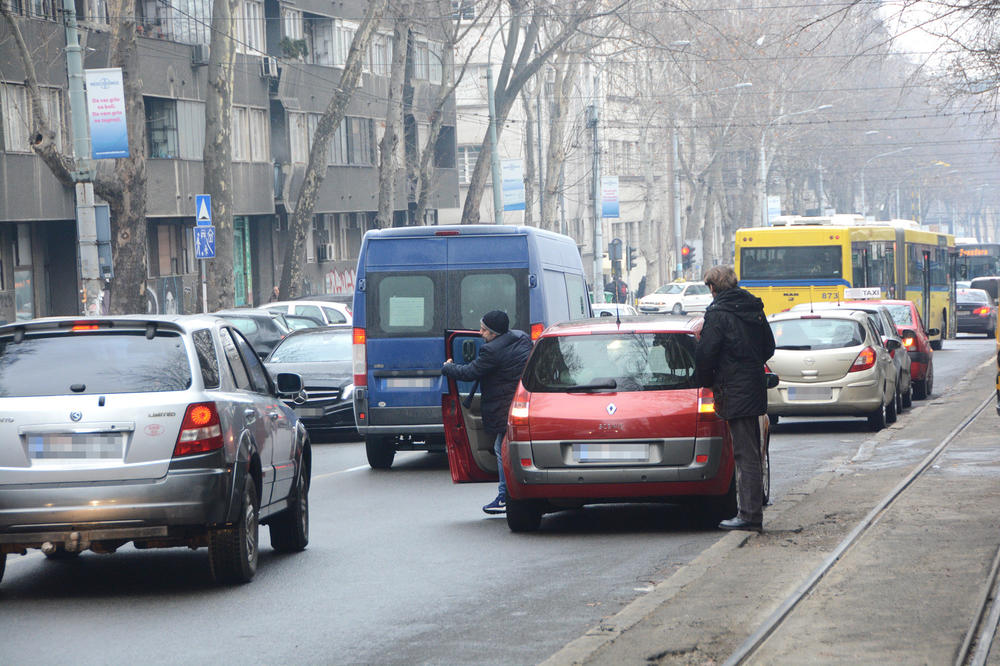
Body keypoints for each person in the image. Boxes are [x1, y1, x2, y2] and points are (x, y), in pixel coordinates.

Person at [694, 265, 775, 532]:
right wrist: (749, 365)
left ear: (713, 288)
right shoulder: (753, 307)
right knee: (750, 450)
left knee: (745, 454)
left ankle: (750, 516)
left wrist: (706, 380)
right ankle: (749, 513)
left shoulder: (718, 313)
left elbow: (707, 353)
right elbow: (769, 347)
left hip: (733, 388)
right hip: (752, 386)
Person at [442, 310, 533, 515]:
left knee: (502, 450)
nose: (480, 332)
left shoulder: (491, 351)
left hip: (502, 406)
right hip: (520, 402)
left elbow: (469, 372)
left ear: (494, 333)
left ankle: (504, 494)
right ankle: (511, 491)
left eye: (484, 329)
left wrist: (448, 367)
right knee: (507, 448)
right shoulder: (521, 338)